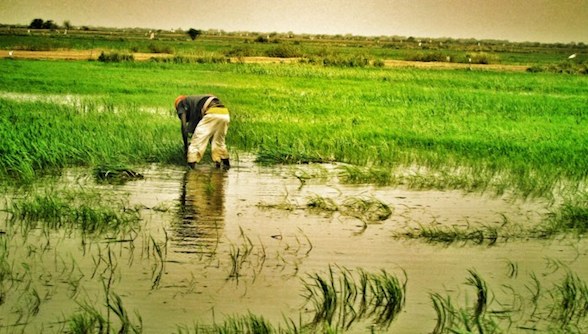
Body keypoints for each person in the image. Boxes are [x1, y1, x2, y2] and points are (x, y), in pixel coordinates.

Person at [174, 95, 231, 169]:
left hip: (212, 113)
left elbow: (184, 127)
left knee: (195, 145)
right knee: (219, 143)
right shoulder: (195, 102)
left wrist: (186, 148)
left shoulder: (181, 103)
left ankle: (190, 171)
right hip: (225, 114)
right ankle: (225, 166)